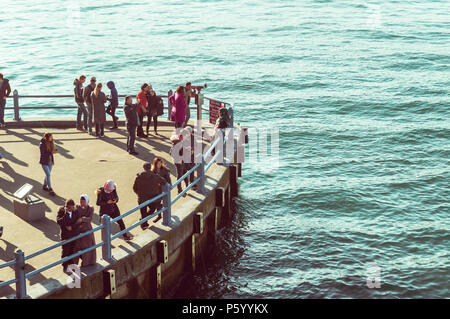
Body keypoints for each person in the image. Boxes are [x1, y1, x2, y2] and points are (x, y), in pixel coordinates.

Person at [133, 163, 167, 228]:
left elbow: (134, 188)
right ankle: (143, 220)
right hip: (152, 198)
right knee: (152, 209)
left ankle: (144, 224)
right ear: (150, 167)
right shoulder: (154, 175)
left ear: (144, 168)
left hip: (142, 198)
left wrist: (139, 194)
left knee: (143, 212)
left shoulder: (139, 176)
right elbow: (164, 181)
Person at [57, 199, 82, 273]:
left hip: (74, 234)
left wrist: (72, 227)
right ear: (66, 207)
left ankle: (71, 264)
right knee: (65, 251)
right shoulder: (62, 212)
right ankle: (65, 265)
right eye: (69, 208)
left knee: (72, 249)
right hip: (66, 236)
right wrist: (66, 214)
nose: (71, 209)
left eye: (72, 207)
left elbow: (79, 222)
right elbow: (60, 222)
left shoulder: (76, 211)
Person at [74, 195, 96, 267]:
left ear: (87, 202)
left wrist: (82, 219)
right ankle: (74, 263)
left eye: (83, 202)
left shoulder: (90, 209)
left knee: (87, 247)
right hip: (79, 229)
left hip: (87, 229)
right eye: (81, 202)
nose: (82, 203)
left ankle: (87, 262)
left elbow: (90, 218)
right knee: (76, 246)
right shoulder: (77, 207)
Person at [39, 132, 58, 196]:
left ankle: (44, 185)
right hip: (44, 162)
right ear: (47, 137)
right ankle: (50, 188)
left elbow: (50, 152)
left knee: (48, 174)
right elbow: (43, 153)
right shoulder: (42, 144)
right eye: (50, 137)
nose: (52, 138)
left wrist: (53, 151)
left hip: (50, 162)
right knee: (48, 174)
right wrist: (51, 152)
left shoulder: (51, 142)